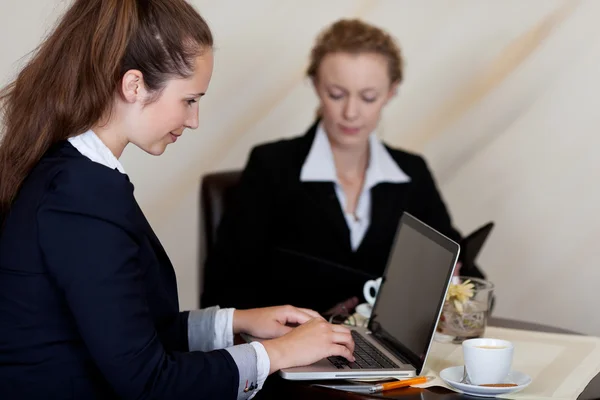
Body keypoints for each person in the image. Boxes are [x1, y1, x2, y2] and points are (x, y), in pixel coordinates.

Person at [0, 1, 355, 399]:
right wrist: (279, 353)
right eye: (189, 99)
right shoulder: (79, 197)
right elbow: (150, 381)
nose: (194, 120)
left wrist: (240, 322)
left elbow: (135, 331)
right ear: (134, 85)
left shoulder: (76, 176)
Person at [202, 19, 486, 316]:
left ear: (391, 92)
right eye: (336, 94)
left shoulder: (412, 173)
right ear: (316, 86)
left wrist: (453, 282)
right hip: (292, 352)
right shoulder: (271, 167)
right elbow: (222, 291)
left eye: (368, 97)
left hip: (386, 355)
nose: (351, 112)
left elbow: (472, 278)